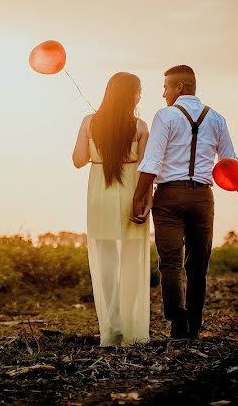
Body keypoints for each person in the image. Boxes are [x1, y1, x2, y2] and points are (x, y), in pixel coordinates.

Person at [130, 65, 238, 339]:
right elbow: (230, 166)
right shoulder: (216, 118)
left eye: (166, 87)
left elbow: (152, 161)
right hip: (203, 198)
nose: (163, 93)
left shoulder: (165, 116)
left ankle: (177, 319)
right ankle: (194, 323)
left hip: (169, 197)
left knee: (169, 262)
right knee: (198, 265)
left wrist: (137, 198)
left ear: (180, 87)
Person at [72, 72, 151, 347]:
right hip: (131, 193)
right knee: (132, 256)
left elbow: (78, 160)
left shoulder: (89, 122)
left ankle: (114, 323)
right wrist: (145, 202)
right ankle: (129, 323)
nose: (141, 95)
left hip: (100, 192)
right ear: (131, 94)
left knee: (106, 257)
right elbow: (146, 169)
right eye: (139, 91)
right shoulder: (140, 127)